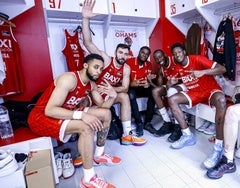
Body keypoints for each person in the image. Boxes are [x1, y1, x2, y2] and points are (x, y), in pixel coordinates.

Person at [28, 54, 118, 187]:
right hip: (41, 117)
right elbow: (50, 110)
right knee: (86, 127)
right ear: (85, 65)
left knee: (106, 114)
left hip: (66, 111)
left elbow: (103, 106)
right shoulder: (69, 79)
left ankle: (99, 155)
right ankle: (88, 179)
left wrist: (113, 96)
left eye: (101, 69)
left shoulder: (91, 84)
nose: (98, 71)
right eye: (96, 67)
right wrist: (81, 115)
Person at [82, 0, 146, 146]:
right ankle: (88, 141)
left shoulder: (126, 68)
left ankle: (127, 135)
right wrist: (85, 19)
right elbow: (88, 43)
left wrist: (112, 90)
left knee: (124, 96)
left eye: (125, 54)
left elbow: (124, 87)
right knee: (87, 103)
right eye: (120, 52)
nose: (123, 56)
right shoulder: (105, 59)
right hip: (95, 92)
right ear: (115, 53)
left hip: (109, 92)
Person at [168, 43, 227, 170]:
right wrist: (171, 83)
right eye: (174, 54)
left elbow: (222, 69)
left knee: (221, 100)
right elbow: (174, 82)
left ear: (184, 51)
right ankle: (187, 135)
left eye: (179, 52)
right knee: (172, 99)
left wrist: (203, 72)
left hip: (209, 90)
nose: (177, 55)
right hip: (194, 93)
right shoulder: (178, 68)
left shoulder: (197, 59)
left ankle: (218, 147)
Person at [152, 49, 185, 143]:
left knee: (171, 91)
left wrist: (172, 83)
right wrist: (153, 81)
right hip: (171, 87)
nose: (159, 60)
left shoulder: (174, 60)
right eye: (156, 59)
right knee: (155, 92)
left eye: (160, 56)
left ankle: (178, 126)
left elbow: (185, 74)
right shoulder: (161, 68)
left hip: (183, 85)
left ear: (165, 55)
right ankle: (167, 122)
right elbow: (160, 84)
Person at [126, 46, 156, 136]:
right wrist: (131, 83)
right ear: (139, 52)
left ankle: (147, 122)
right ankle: (139, 122)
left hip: (142, 87)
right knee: (131, 95)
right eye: (143, 52)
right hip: (131, 87)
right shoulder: (129, 62)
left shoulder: (149, 64)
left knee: (154, 92)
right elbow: (122, 80)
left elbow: (148, 79)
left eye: (147, 54)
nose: (144, 55)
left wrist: (148, 83)